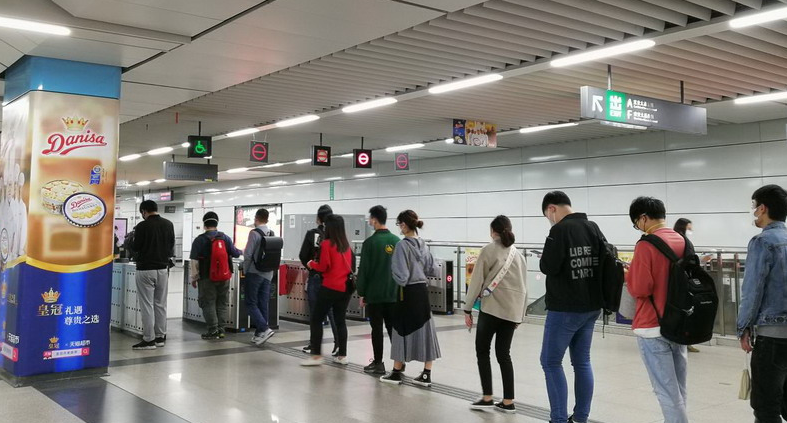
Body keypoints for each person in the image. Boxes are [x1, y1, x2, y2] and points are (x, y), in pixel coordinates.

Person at [539, 191, 606, 423]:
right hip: (591, 306)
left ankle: (558, 419)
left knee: (550, 362)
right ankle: (580, 417)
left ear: (551, 209)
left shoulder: (559, 231)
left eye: (547, 216)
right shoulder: (593, 227)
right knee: (582, 362)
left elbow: (548, 266)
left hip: (565, 308)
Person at [627, 197, 689, 423]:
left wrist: (628, 275)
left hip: (652, 325)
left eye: (636, 223)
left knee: (666, 391)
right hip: (679, 324)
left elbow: (640, 288)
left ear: (643, 218)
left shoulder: (646, 244)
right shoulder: (682, 240)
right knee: (679, 388)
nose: (638, 227)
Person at [464, 215, 528, 414]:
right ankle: (508, 401)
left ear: (493, 231)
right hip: (512, 312)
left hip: (491, 309)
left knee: (482, 350)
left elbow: (476, 280)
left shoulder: (488, 250)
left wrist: (467, 308)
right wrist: (520, 315)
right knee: (504, 354)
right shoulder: (519, 256)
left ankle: (487, 397)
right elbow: (525, 288)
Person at [738, 185, 787, 423]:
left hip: (772, 336)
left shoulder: (763, 242)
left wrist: (743, 328)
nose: (754, 212)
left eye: (754, 206)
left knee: (766, 406)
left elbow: (752, 290)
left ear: (763, 208)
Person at [380, 210, 441, 387]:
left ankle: (396, 372)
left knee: (400, 329)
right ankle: (426, 374)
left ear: (405, 225)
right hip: (422, 291)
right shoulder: (423, 244)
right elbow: (433, 270)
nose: (399, 227)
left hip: (407, 292)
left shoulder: (402, 246)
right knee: (426, 330)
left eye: (399, 224)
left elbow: (402, 276)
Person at [301, 214, 355, 366]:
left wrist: (312, 264)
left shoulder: (326, 244)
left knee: (316, 319)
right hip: (345, 289)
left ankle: (316, 356)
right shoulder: (346, 245)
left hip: (330, 287)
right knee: (340, 321)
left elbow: (324, 266)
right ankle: (342, 356)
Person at [357, 205, 400, 375]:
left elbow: (364, 271)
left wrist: (361, 292)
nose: (369, 221)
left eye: (370, 219)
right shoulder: (397, 241)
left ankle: (378, 363)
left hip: (374, 295)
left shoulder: (369, 243)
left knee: (376, 330)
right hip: (393, 294)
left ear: (374, 220)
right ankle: (399, 363)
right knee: (393, 329)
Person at [189, 212, 242, 340]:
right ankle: (221, 330)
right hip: (224, 277)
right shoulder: (225, 238)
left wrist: (194, 278)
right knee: (222, 303)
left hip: (206, 277)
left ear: (204, 224)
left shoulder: (199, 240)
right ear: (217, 223)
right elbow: (235, 253)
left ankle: (213, 330)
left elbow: (194, 261)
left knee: (208, 303)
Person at [132, 200, 175, 350]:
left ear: (144, 211)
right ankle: (160, 337)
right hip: (163, 269)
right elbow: (171, 245)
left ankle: (148, 339)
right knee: (160, 304)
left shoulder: (142, 226)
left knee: (147, 305)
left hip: (145, 270)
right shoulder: (168, 224)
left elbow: (136, 247)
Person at [298, 204, 338, 355]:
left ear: (318, 219)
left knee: (316, 314)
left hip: (316, 278)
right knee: (332, 312)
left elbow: (303, 255)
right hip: (332, 279)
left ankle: (314, 345)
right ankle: (339, 344)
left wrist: (311, 267)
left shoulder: (312, 234)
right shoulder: (336, 236)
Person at [242, 208, 277, 346]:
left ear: (256, 218)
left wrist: (246, 270)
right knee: (263, 303)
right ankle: (259, 334)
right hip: (268, 274)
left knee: (250, 303)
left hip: (254, 272)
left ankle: (264, 328)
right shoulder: (272, 233)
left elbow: (248, 254)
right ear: (267, 219)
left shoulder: (254, 233)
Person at [673, 218, 700, 354]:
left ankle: (685, 340)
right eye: (689, 228)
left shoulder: (680, 240)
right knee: (685, 311)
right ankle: (683, 340)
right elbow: (688, 259)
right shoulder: (681, 241)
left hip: (680, 279)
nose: (691, 231)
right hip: (682, 280)